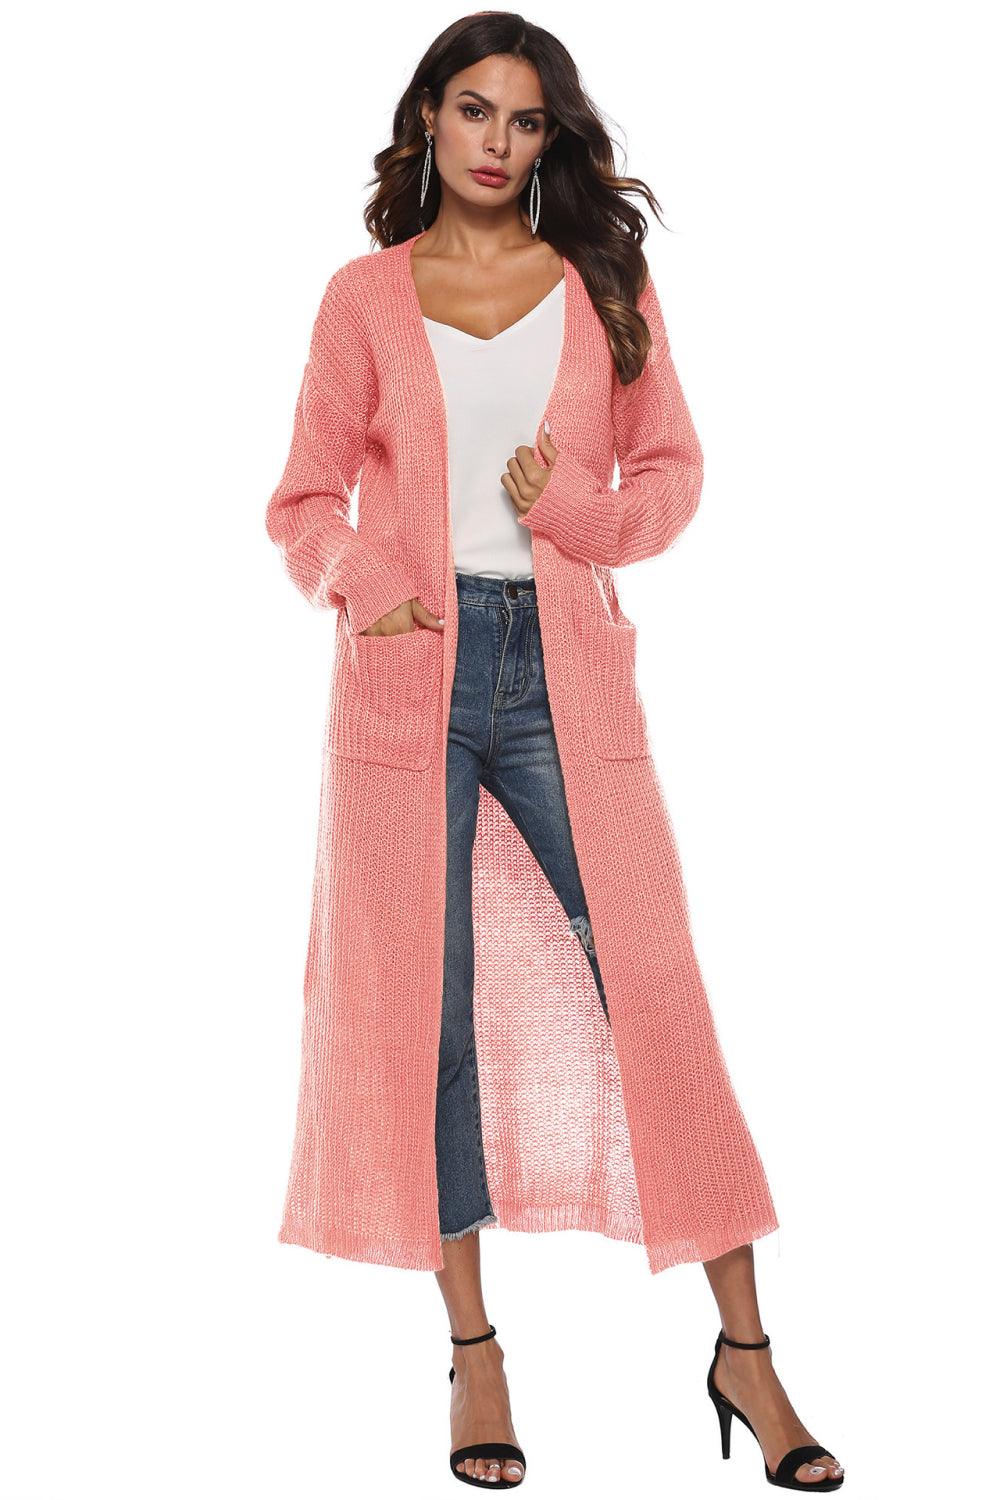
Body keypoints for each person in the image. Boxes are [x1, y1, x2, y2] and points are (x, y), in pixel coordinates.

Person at [266, 14, 844, 1495]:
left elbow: (674, 472)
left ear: (550, 141)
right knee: (433, 1014)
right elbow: (302, 499)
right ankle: (474, 1350)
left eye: (525, 121)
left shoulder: (603, 285)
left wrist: (573, 515)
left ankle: (747, 1351)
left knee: (655, 990)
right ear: (429, 119)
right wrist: (363, 583)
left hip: (563, 675)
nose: (498, 142)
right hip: (408, 676)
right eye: (474, 110)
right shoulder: (362, 298)